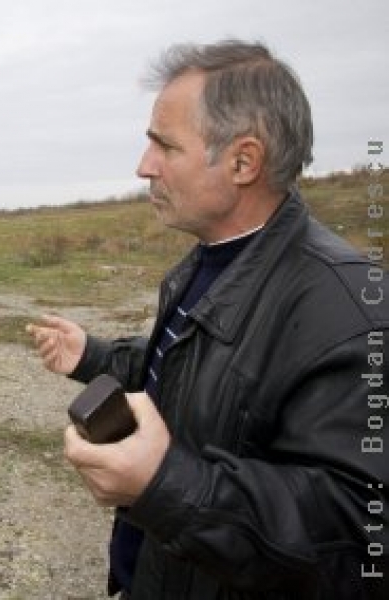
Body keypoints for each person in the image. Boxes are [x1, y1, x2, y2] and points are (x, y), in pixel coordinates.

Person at [27, 40, 388, 599]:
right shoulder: (210, 260)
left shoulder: (349, 309)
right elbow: (191, 374)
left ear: (243, 162)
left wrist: (165, 484)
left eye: (163, 146)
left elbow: (358, 537)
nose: (144, 166)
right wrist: (92, 356)